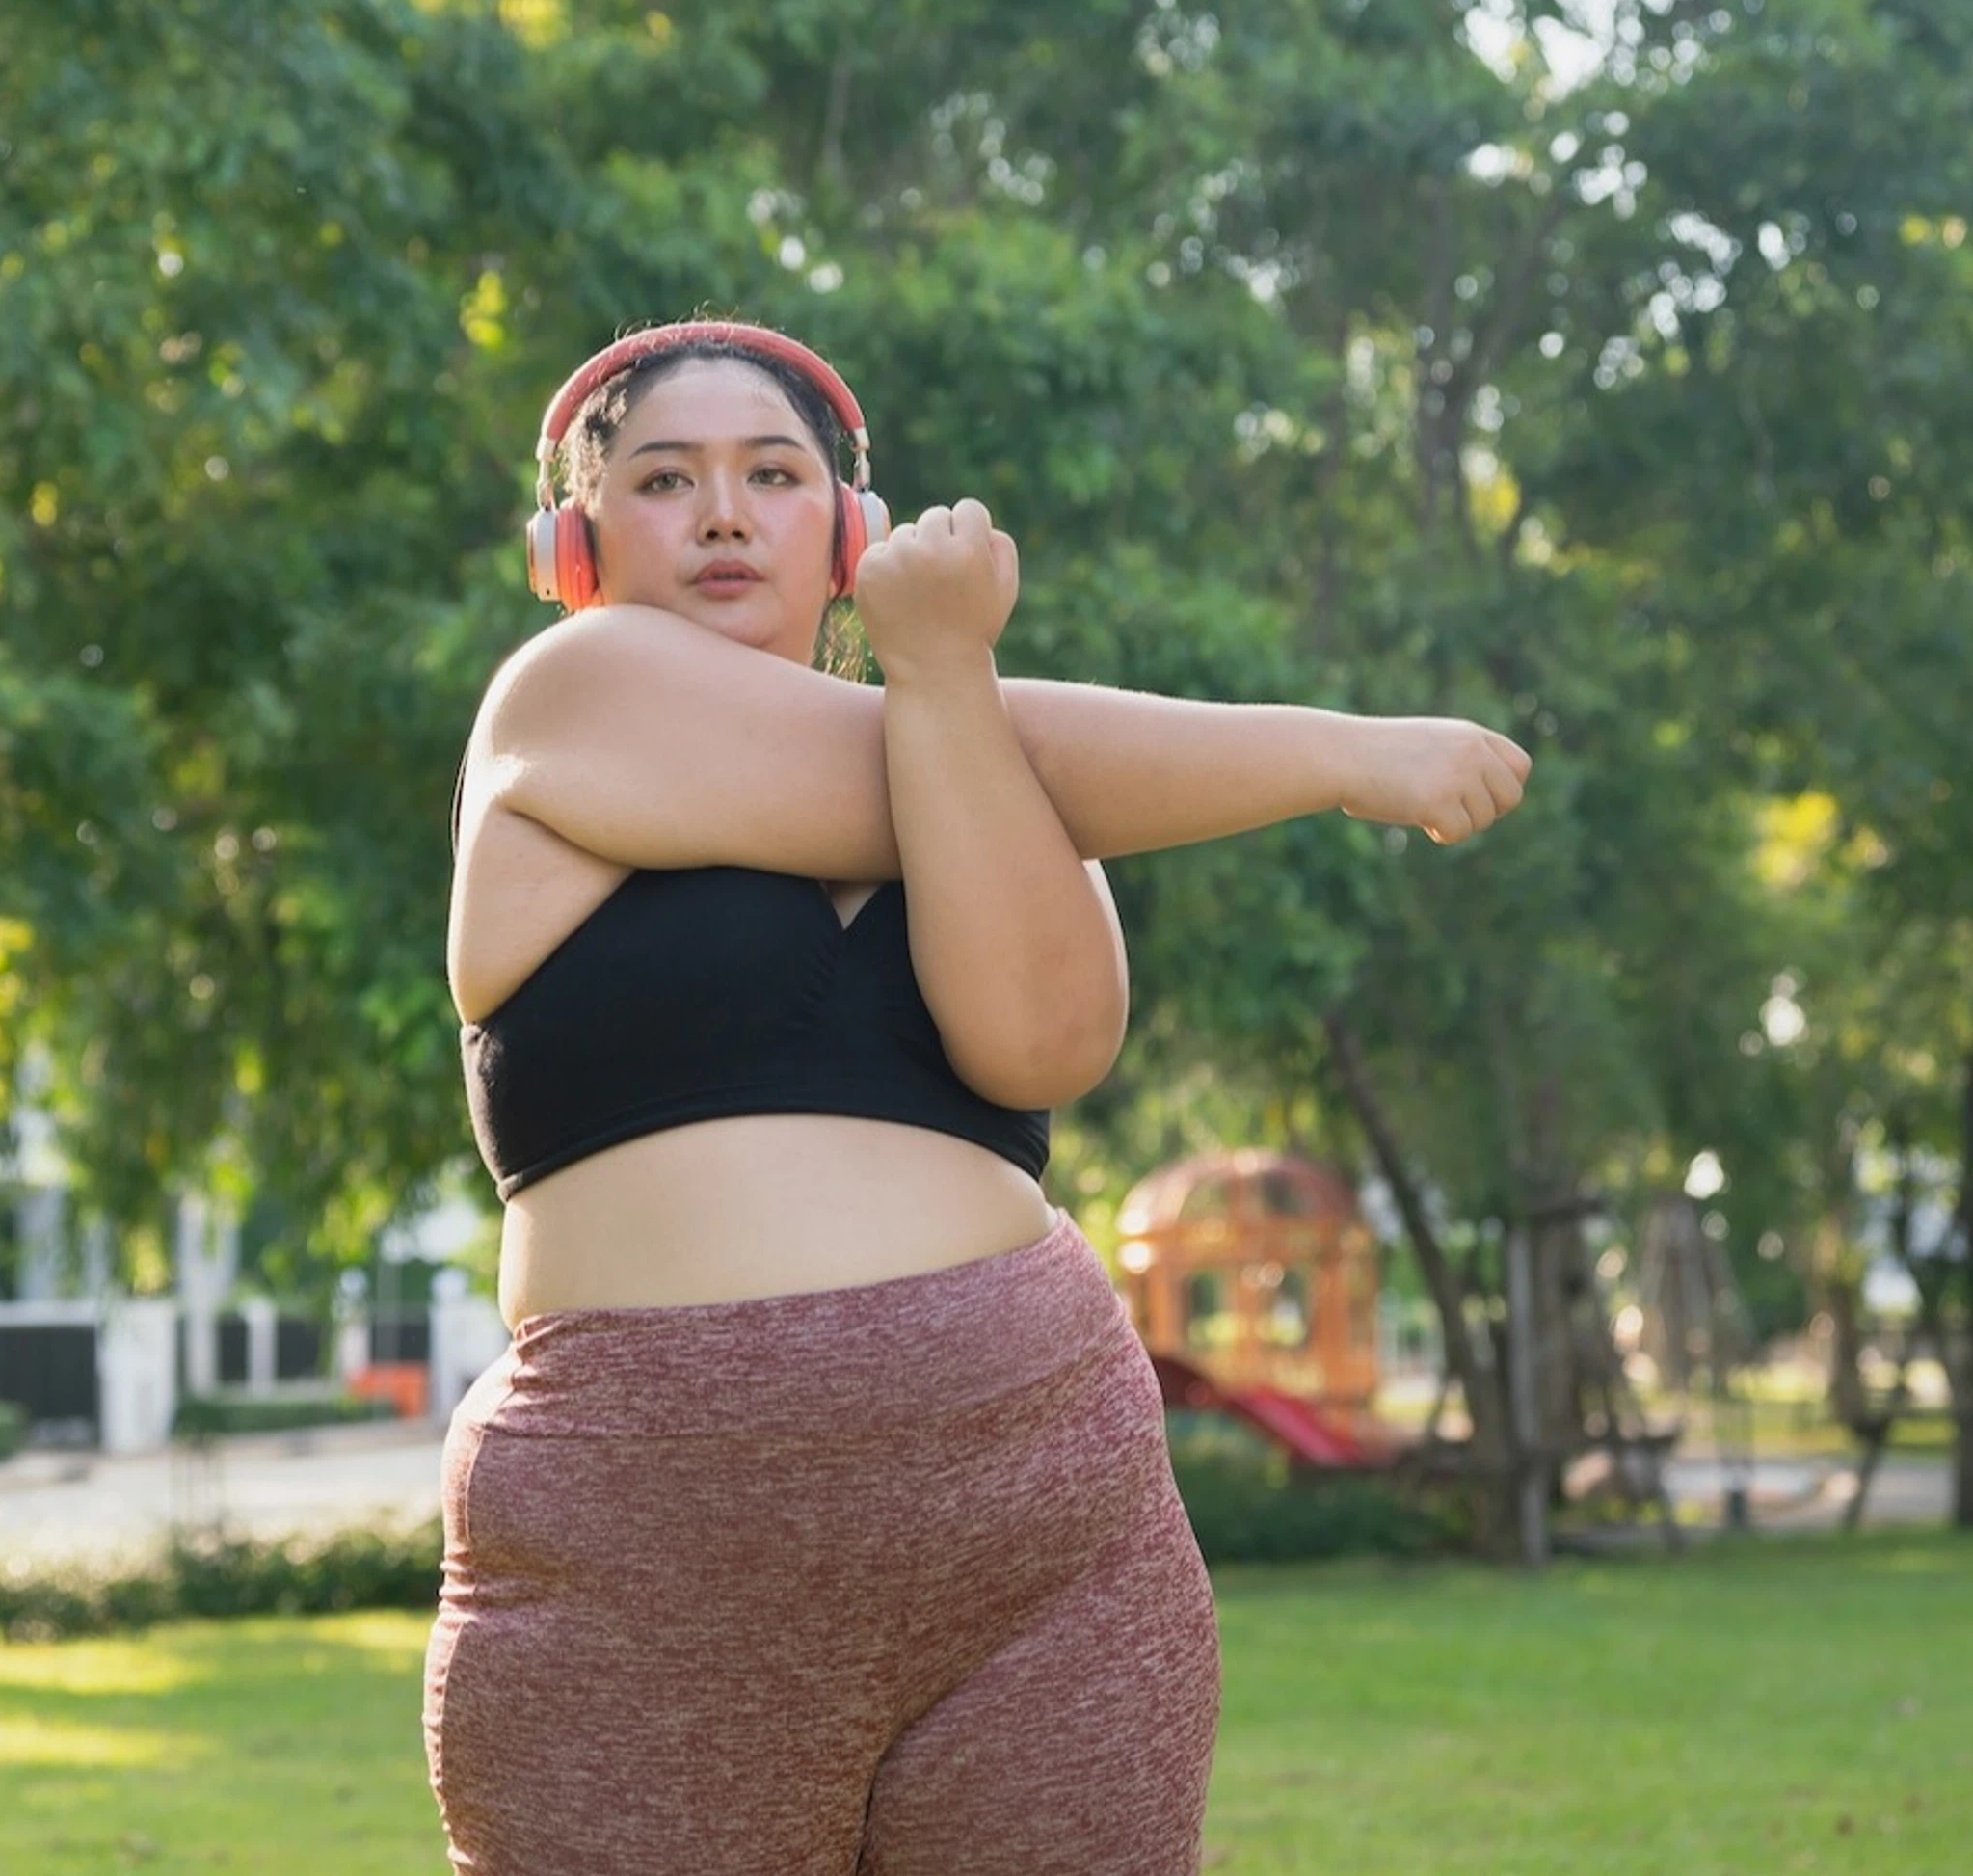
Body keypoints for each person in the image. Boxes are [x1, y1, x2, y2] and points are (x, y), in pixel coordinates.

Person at [427, 318, 1532, 1875]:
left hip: (1048, 1524)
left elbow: (1043, 1046)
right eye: (666, 480)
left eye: (774, 475)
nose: (725, 513)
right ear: (578, 547)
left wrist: (946, 672)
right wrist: (1339, 755)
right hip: (661, 1530)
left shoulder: (985, 760)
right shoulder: (569, 692)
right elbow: (994, 760)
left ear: (850, 533)